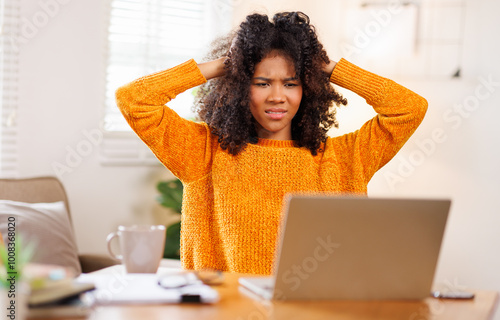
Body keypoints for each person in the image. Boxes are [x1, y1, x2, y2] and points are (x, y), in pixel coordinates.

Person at [116, 11, 427, 275]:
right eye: (261, 83)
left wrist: (328, 68)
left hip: (314, 319)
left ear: (308, 89)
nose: (278, 96)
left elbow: (409, 107)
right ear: (238, 87)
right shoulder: (203, 153)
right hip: (222, 319)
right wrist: (225, 65)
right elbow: (133, 100)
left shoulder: (345, 158)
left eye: (291, 83)